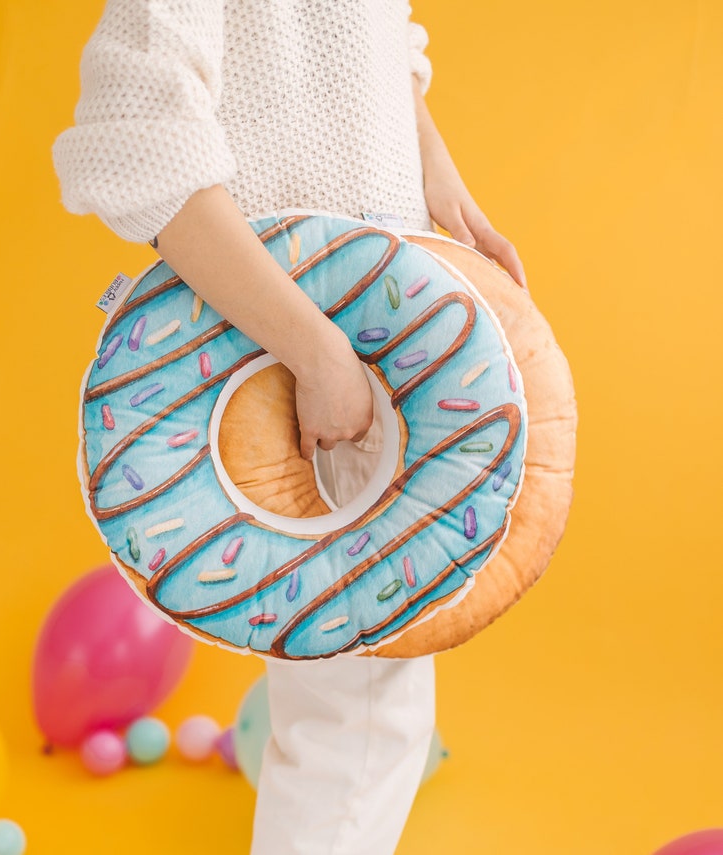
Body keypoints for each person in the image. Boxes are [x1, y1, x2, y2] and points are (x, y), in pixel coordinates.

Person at [54, 3, 526, 853]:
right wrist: (318, 354)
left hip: (361, 334)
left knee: (352, 714)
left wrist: (438, 183)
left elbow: (375, 50)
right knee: (360, 725)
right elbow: (142, 140)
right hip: (300, 353)